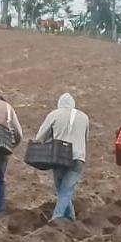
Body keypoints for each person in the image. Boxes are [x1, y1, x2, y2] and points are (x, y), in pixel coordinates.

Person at [35, 93, 90, 224]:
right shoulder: (84, 117)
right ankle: (70, 218)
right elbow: (85, 138)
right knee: (67, 189)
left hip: (59, 155)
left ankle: (57, 217)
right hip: (78, 157)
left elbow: (40, 137)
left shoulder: (54, 115)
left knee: (62, 189)